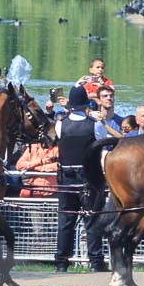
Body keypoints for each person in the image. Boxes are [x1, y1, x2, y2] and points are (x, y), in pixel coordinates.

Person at [53, 86, 107, 273]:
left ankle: (61, 262)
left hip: (66, 178)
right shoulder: (95, 124)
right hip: (89, 178)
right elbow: (102, 147)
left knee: (66, 221)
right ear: (86, 105)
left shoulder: (61, 124)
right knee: (92, 220)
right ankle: (96, 262)